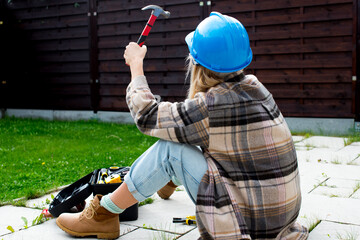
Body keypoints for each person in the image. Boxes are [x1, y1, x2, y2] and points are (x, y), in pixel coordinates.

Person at [56, 12, 309, 240]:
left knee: (170, 150)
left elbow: (147, 115)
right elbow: (203, 134)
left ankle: (103, 214)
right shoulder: (256, 89)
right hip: (280, 221)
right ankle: (168, 180)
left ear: (197, 64)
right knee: (181, 134)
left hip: (249, 227)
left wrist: (136, 65)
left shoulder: (212, 106)